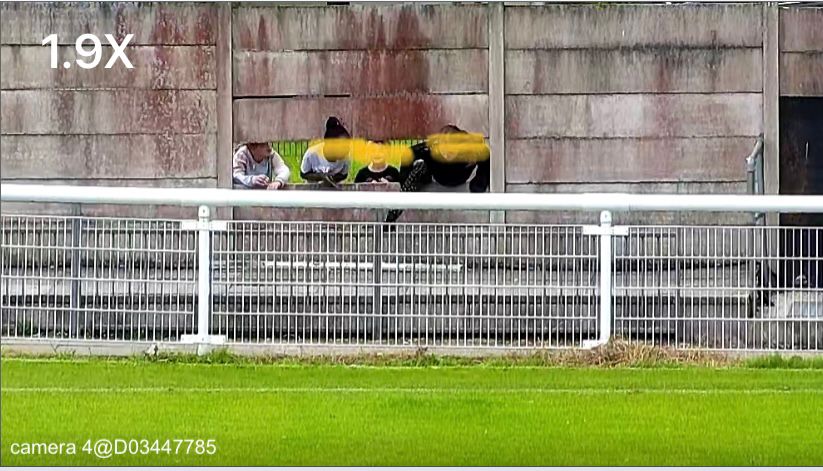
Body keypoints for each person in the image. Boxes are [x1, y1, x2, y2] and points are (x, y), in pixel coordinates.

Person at [385, 124, 490, 223]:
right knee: (420, 168)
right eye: (444, 151)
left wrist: (479, 183)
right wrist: (403, 180)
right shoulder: (430, 149)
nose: (448, 154)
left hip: (460, 176)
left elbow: (486, 153)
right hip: (436, 175)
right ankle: (391, 217)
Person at [300, 117, 352, 186]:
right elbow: (303, 174)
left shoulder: (345, 157)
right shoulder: (312, 154)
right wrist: (320, 177)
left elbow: (344, 175)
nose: (346, 151)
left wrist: (332, 179)